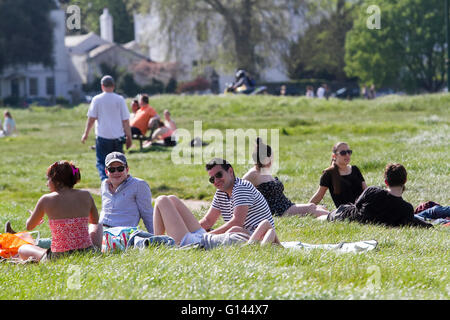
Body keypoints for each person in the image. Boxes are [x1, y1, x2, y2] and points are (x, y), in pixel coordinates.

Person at [16, 161, 100, 262]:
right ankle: (97, 249)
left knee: (23, 248)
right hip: (87, 252)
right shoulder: (86, 195)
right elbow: (94, 221)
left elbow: (29, 226)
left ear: (57, 181)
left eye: (48, 179)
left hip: (59, 256)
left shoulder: (46, 199)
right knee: (98, 226)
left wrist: (35, 220)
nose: (47, 184)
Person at [243, 138, 329, 218]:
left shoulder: (265, 172)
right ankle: (335, 217)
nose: (271, 161)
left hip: (286, 206)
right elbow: (238, 190)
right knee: (311, 208)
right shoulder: (253, 174)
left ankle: (336, 215)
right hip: (278, 211)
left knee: (316, 207)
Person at [327, 163, 432, 228]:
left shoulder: (372, 191)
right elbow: (410, 222)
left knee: (318, 211)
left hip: (343, 215)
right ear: (405, 180)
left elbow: (357, 205)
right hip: (345, 214)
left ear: (386, 182)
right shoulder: (406, 208)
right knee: (318, 210)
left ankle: (313, 208)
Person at [153, 196, 280, 249]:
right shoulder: (246, 238)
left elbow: (267, 225)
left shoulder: (250, 246)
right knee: (171, 199)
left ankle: (157, 244)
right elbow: (267, 227)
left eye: (264, 236)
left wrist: (271, 239)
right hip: (203, 235)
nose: (261, 233)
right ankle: (157, 242)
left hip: (192, 241)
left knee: (161, 199)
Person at [200, 158, 275, 235]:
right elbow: (208, 221)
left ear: (230, 171)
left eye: (219, 175)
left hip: (259, 236)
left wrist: (207, 236)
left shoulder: (242, 187)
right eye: (212, 179)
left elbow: (237, 222)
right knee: (204, 230)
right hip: (240, 234)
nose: (216, 181)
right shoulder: (220, 193)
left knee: (233, 230)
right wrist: (191, 232)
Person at [92, 152, 154, 241]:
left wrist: (155, 238)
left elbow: (147, 214)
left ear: (127, 169)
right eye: (112, 170)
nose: (116, 172)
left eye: (120, 168)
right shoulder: (104, 185)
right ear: (106, 172)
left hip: (123, 233)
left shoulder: (139, 185)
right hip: (102, 230)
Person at [81, 75, 132, 181]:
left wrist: (85, 134)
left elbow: (91, 119)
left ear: (102, 86)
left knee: (102, 162)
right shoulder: (120, 99)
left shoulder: (97, 99)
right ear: (113, 86)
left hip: (103, 137)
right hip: (118, 137)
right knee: (119, 164)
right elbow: (126, 121)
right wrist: (129, 137)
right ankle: (120, 184)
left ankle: (105, 183)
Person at [309, 142, 367, 209]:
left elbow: (366, 190)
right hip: (345, 211)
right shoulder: (329, 173)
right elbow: (319, 195)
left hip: (362, 207)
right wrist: (307, 208)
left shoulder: (355, 169)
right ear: (334, 156)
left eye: (349, 152)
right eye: (343, 153)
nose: (347, 155)